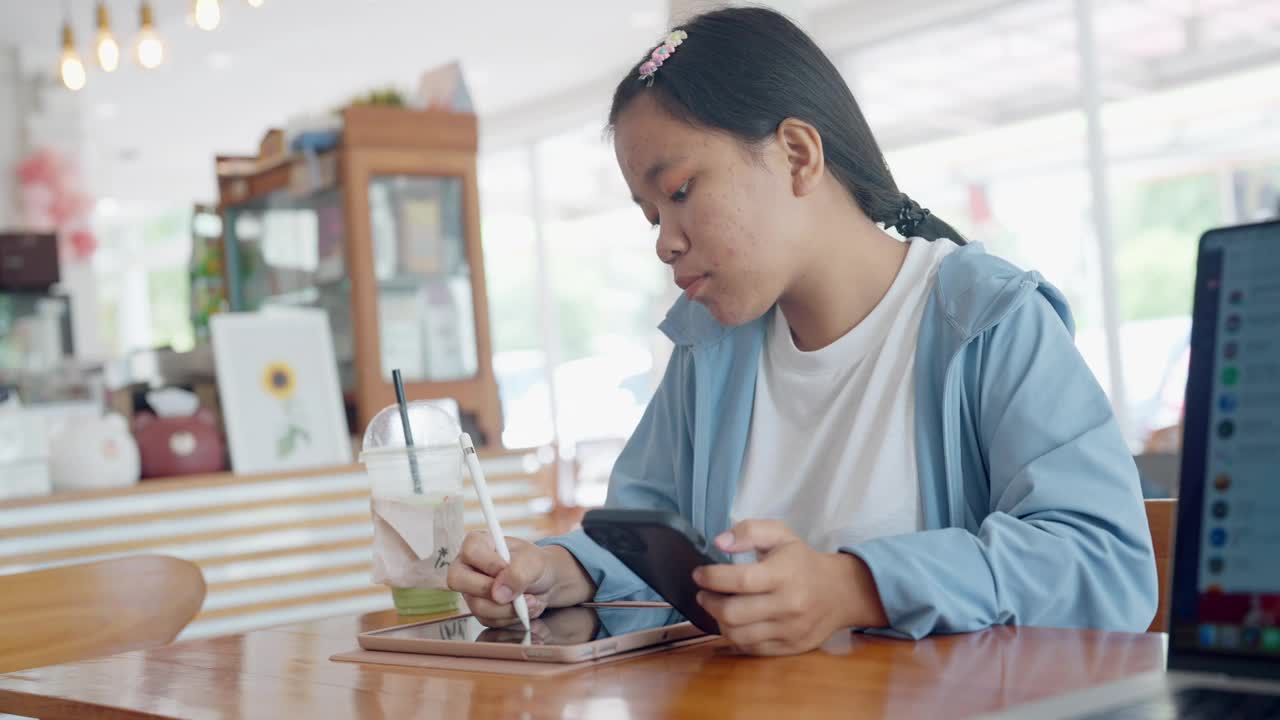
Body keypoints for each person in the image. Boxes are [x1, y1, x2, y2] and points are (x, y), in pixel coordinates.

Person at [448, 6, 1157, 655]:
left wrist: (854, 587)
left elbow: (1105, 566)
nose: (665, 242)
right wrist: (558, 570)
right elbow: (648, 534)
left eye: (682, 192)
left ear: (796, 154)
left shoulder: (985, 319)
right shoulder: (711, 348)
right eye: (650, 215)